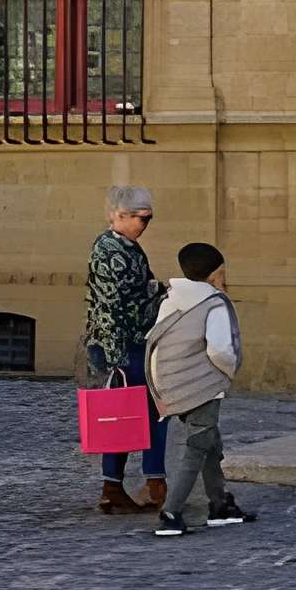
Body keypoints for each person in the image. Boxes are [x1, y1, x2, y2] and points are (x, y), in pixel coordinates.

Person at [145, 240, 253, 536]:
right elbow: (219, 350)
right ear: (216, 274)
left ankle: (220, 504)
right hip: (202, 385)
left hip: (172, 383)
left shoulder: (171, 299)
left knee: (209, 443)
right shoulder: (214, 303)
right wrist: (228, 373)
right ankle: (171, 512)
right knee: (196, 447)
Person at [84, 185, 168, 513]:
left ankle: (115, 487)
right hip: (120, 344)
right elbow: (117, 303)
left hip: (128, 342)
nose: (144, 225)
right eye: (140, 218)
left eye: (149, 219)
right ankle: (154, 482)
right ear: (119, 215)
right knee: (152, 411)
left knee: (122, 416)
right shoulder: (111, 249)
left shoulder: (128, 246)